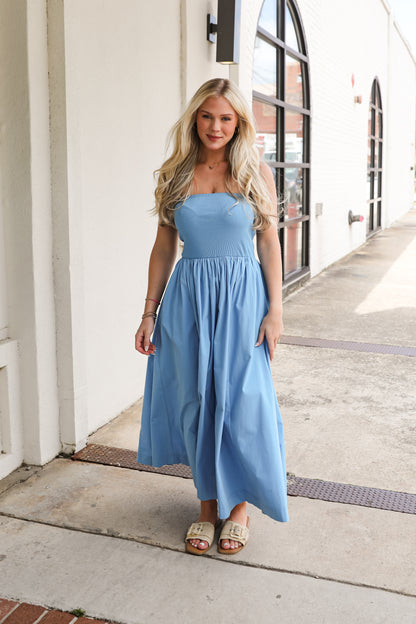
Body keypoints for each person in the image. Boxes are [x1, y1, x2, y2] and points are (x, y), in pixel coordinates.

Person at [135, 78, 288, 556]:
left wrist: (276, 310)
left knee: (241, 405)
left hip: (243, 301)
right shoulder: (175, 173)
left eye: (225, 118)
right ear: (195, 118)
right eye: (207, 116)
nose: (215, 127)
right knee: (197, 402)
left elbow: (268, 242)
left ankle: (238, 508)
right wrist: (148, 312)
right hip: (188, 302)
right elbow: (164, 248)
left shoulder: (254, 172)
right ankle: (207, 506)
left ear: (238, 122)